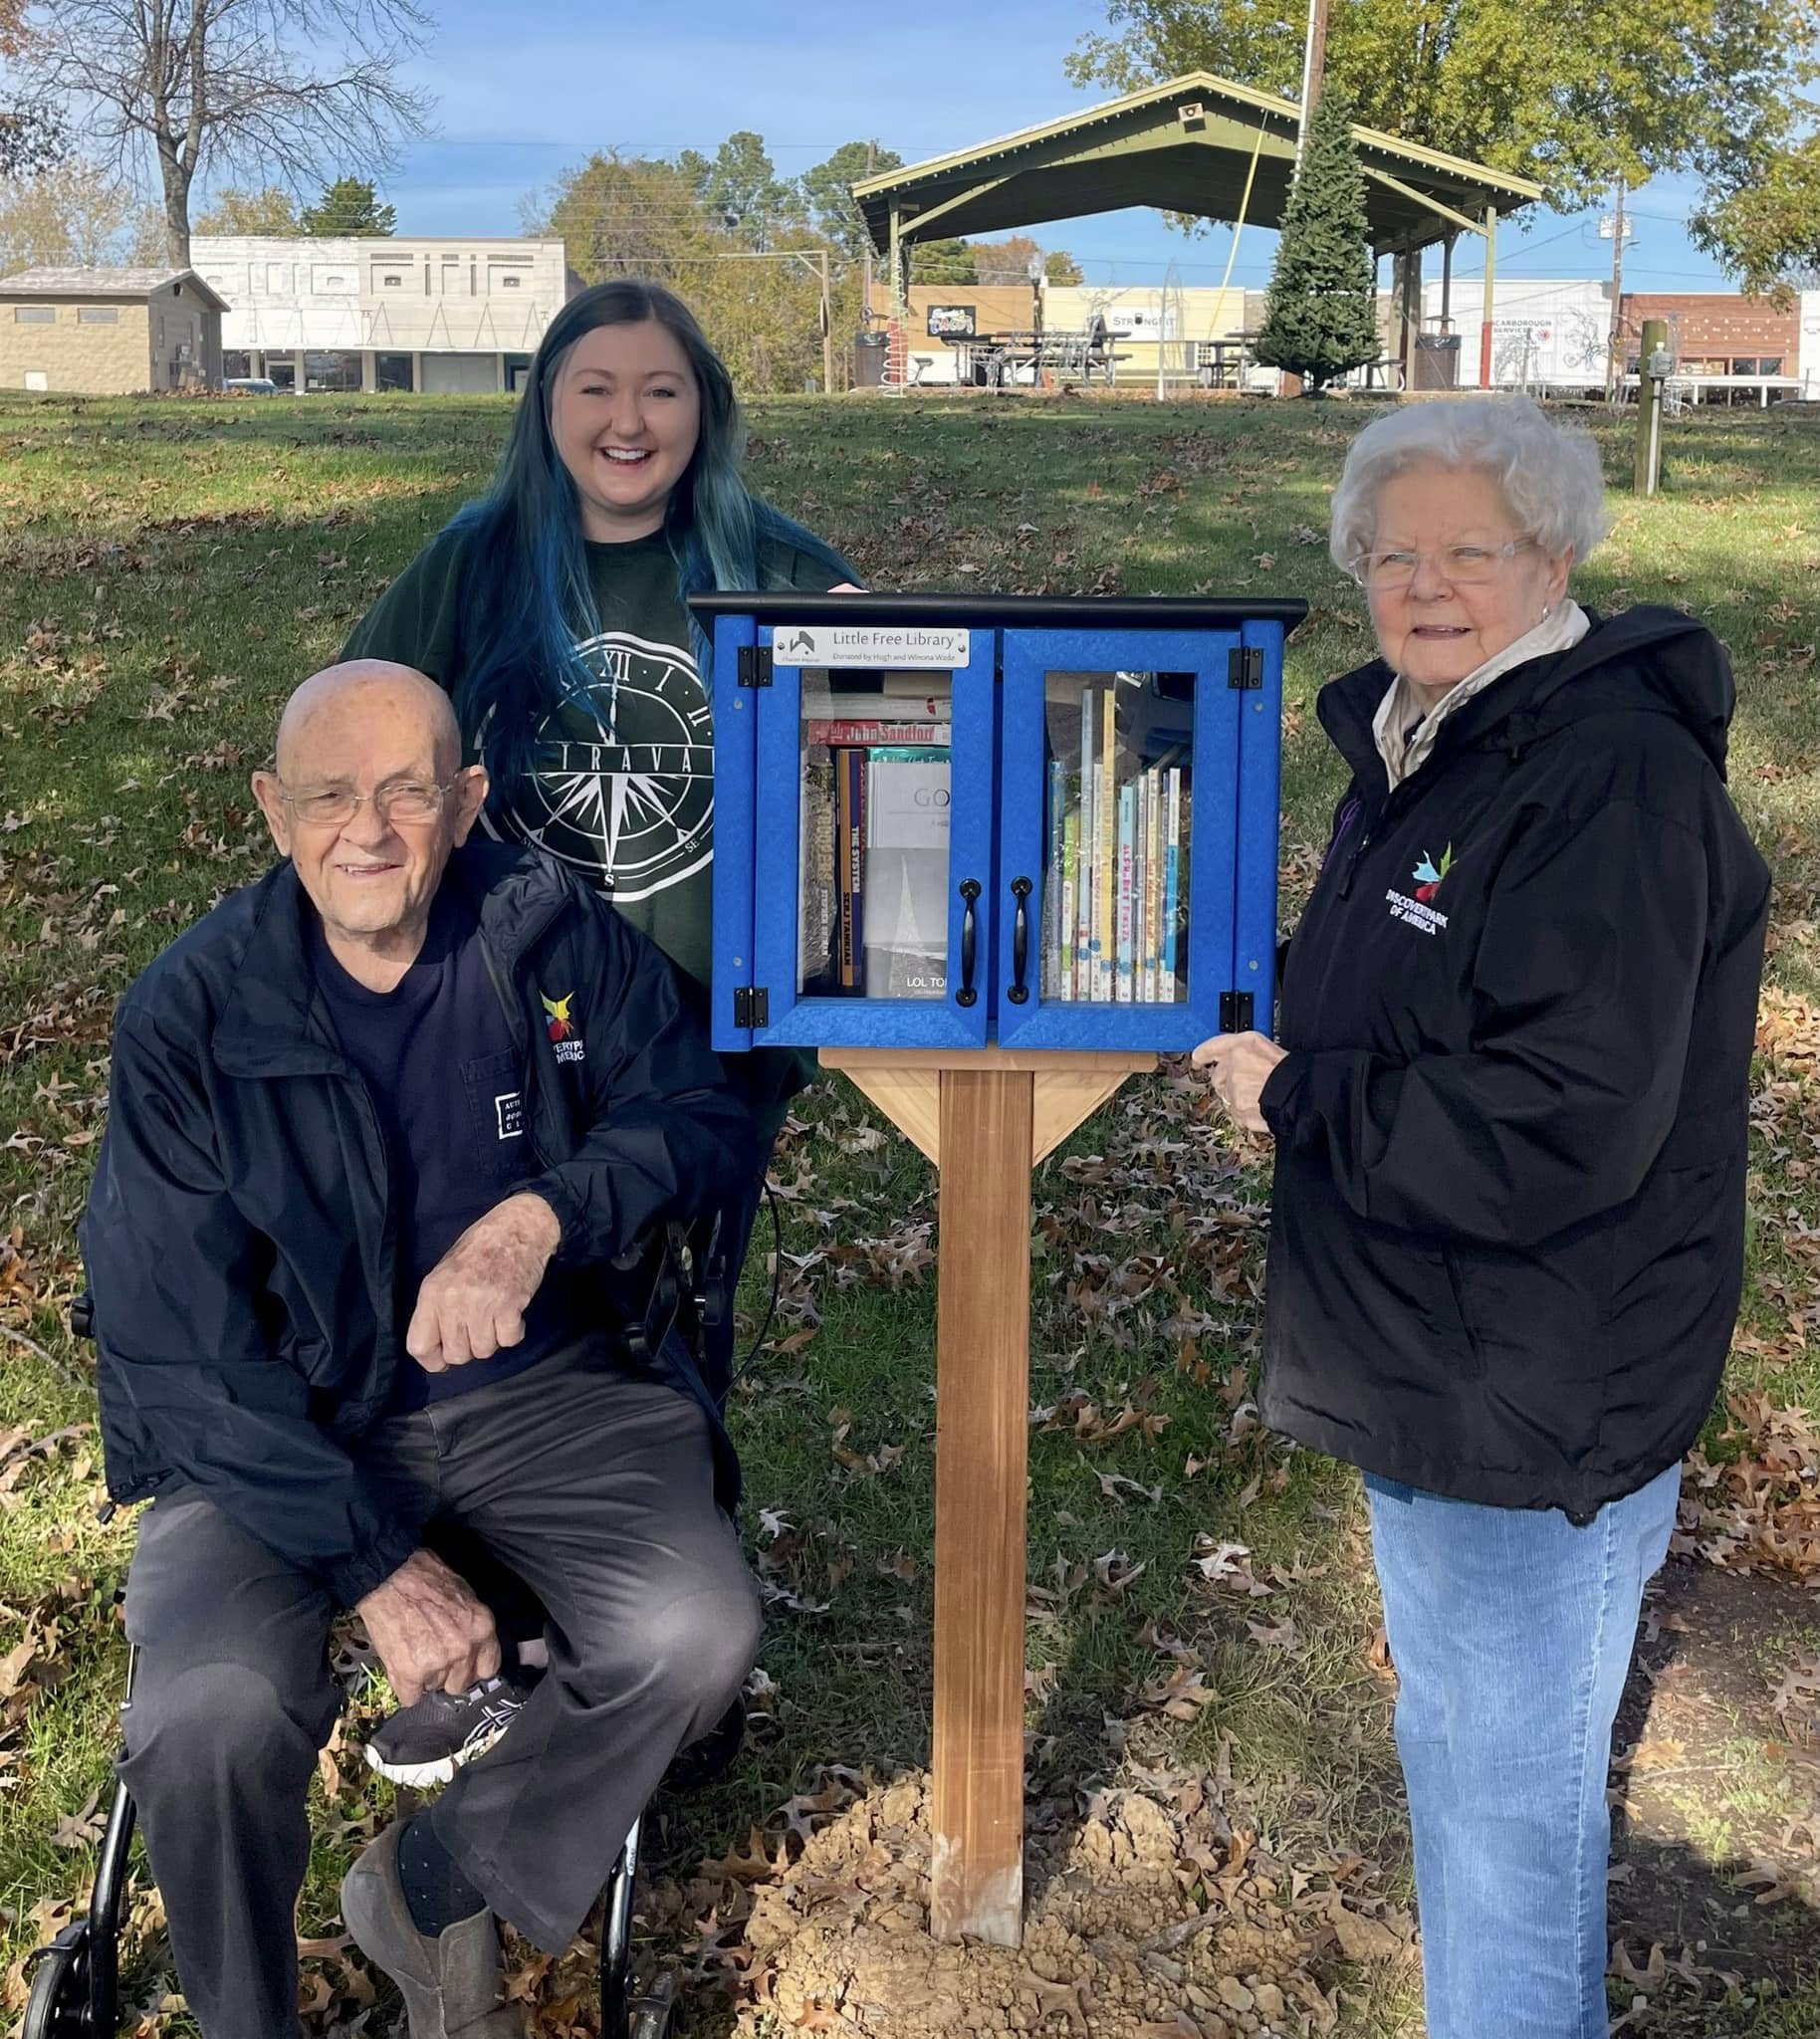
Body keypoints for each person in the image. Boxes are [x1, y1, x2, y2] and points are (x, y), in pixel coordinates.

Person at [1195, 397, 1769, 2039]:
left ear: (1556, 558)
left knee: (1504, 1852)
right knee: (1474, 1785)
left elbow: (1559, 1117)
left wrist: (1296, 1099)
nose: (1423, 582)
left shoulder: (1609, 785)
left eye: (1470, 550)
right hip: (1442, 1363)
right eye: (1390, 552)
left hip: (1527, 1391)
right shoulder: (1429, 745)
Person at [81, 659, 760, 2039]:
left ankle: (439, 1880)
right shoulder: (191, 1017)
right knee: (208, 1715)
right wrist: (378, 1562)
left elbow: (702, 1110)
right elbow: (178, 1356)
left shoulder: (547, 935)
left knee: (695, 1636)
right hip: (277, 1431)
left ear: (466, 801)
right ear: (274, 811)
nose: (369, 829)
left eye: (407, 790)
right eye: (331, 794)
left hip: (541, 1395)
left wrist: (540, 1217)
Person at [341, 279, 858, 1402]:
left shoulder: (775, 568)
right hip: (498, 1012)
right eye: (598, 388)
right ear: (547, 408)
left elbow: (909, 726)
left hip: (711, 1028)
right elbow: (347, 735)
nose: (629, 421)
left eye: (661, 390)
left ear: (705, 412)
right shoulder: (474, 565)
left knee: (667, 1322)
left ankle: (662, 1501)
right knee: (500, 1291)